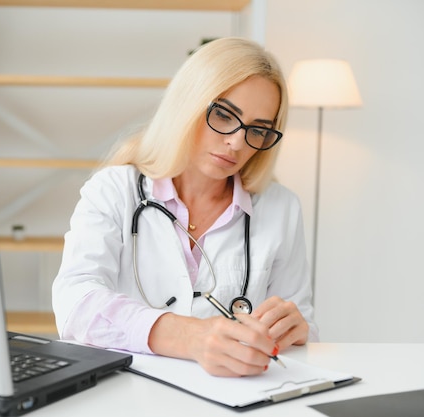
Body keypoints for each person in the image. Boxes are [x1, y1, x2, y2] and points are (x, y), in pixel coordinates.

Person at [52, 37, 319, 378]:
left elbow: (304, 332)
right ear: (187, 102)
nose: (236, 142)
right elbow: (75, 304)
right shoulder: (114, 189)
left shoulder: (281, 208)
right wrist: (190, 337)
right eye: (224, 115)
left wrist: (297, 330)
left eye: (258, 130)